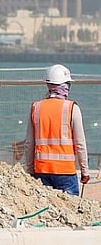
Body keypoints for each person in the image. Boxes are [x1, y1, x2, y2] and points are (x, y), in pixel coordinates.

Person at [21, 64, 91, 196]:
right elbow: (80, 144)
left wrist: (30, 170)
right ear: (65, 85)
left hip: (41, 169)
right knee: (69, 212)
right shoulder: (71, 108)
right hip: (65, 172)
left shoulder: (36, 108)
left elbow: (29, 143)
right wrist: (85, 171)